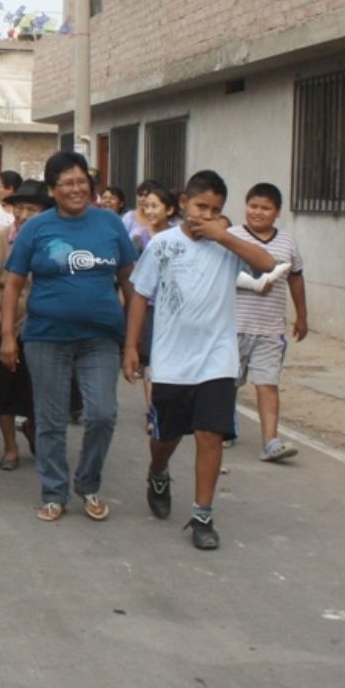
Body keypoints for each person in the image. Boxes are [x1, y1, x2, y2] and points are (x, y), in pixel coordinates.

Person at [122, 170, 277, 552]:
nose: (206, 215)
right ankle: (158, 471)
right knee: (166, 437)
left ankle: (202, 514)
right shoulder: (163, 244)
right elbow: (140, 294)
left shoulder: (228, 245)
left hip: (217, 360)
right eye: (200, 206)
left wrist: (224, 235)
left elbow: (267, 262)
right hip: (172, 361)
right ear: (184, 205)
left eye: (215, 210)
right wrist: (131, 348)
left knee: (210, 435)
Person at [1, 151, 135, 523]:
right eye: (67, 183)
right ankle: (54, 491)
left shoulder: (110, 224)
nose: (76, 189)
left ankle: (88, 483)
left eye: (82, 182)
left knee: (103, 413)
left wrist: (133, 343)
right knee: (50, 419)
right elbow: (12, 284)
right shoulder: (36, 228)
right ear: (52, 190)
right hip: (46, 336)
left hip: (101, 338)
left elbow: (130, 282)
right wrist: (8, 336)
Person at [0, 178, 49, 470]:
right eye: (19, 208)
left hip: (42, 330)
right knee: (0, 390)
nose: (24, 215)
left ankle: (34, 429)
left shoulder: (52, 243)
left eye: (32, 208)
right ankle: (9, 446)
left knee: (39, 389)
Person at [231, 182, 307, 463]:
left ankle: (271, 441)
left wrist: (302, 315)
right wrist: (252, 284)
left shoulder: (287, 242)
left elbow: (296, 278)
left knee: (268, 383)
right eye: (253, 206)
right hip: (232, 326)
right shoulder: (232, 236)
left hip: (270, 329)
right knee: (228, 382)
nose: (258, 213)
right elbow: (218, 274)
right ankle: (224, 429)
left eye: (265, 208)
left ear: (277, 212)